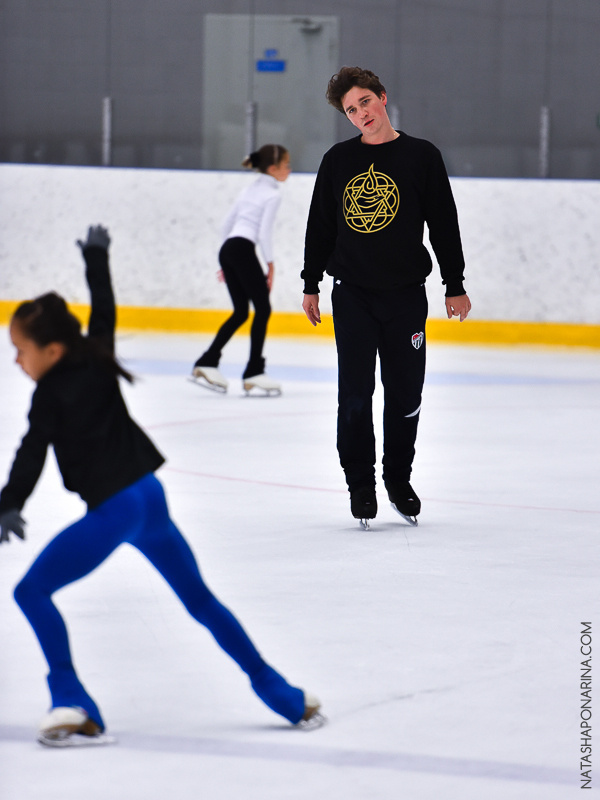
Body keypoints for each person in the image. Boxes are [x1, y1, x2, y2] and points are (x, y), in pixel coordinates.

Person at [0, 225, 324, 747]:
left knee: (31, 591)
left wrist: (9, 503)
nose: (16, 360)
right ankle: (282, 693)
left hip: (117, 510)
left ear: (52, 350)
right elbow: (105, 310)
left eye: (20, 349)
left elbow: (30, 453)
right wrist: (97, 259)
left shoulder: (49, 396)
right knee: (200, 601)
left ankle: (73, 702)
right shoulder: (96, 356)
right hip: (149, 498)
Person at [301, 66, 471, 527]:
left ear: (382, 97)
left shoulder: (421, 156)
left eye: (365, 102)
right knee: (355, 393)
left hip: (405, 298)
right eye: (351, 110)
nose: (361, 114)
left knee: (405, 393)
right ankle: (360, 484)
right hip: (352, 295)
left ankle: (398, 479)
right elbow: (321, 225)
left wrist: (454, 283)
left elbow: (444, 223)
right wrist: (310, 282)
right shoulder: (338, 160)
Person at [192, 144, 291, 396]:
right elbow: (263, 233)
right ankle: (254, 372)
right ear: (273, 169)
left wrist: (226, 262)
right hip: (243, 250)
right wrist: (270, 264)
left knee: (241, 312)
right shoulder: (273, 195)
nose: (289, 170)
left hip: (228, 249)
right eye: (286, 165)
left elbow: (226, 225)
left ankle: (208, 361)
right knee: (263, 309)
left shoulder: (249, 189)